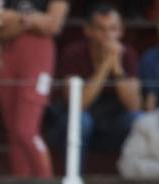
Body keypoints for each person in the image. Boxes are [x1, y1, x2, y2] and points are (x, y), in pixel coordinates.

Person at [47, 3, 141, 162]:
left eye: (113, 29)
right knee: (82, 120)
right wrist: (105, 67)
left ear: (121, 31)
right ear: (88, 30)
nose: (107, 35)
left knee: (136, 119)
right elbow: (79, 104)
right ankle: (76, 180)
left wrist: (116, 66)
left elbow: (134, 105)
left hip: (111, 124)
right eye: (101, 29)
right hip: (75, 124)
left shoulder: (127, 54)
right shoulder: (74, 52)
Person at [0, 0, 68, 176]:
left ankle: (45, 183)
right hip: (8, 55)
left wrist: (16, 19)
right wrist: (33, 21)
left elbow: (52, 25)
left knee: (26, 129)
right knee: (13, 131)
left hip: (38, 57)